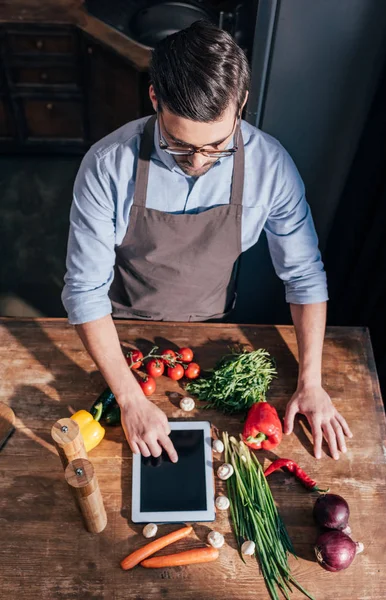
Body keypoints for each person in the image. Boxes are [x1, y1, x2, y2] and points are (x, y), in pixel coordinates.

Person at [62, 20, 352, 464]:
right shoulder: (107, 166)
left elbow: (305, 276)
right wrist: (131, 399)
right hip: (118, 326)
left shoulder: (271, 168)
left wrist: (311, 382)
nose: (198, 162)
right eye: (178, 145)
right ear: (155, 97)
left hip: (213, 321)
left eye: (218, 146)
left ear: (242, 103)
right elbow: (84, 292)